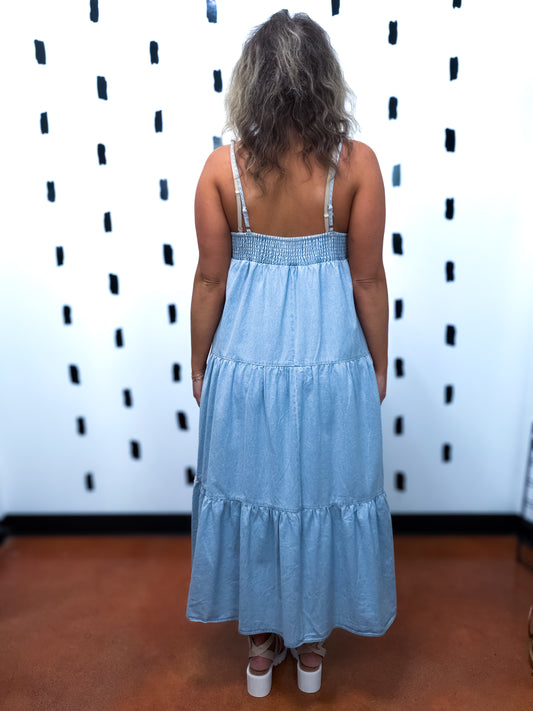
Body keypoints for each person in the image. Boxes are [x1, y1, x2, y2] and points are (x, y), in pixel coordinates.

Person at [186, 9, 396, 697]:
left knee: (256, 492)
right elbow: (368, 279)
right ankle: (310, 651)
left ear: (251, 84)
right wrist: (378, 362)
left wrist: (199, 362)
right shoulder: (357, 166)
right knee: (319, 492)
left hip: (245, 363)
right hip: (331, 360)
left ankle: (259, 648)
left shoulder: (220, 170)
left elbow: (210, 280)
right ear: (323, 80)